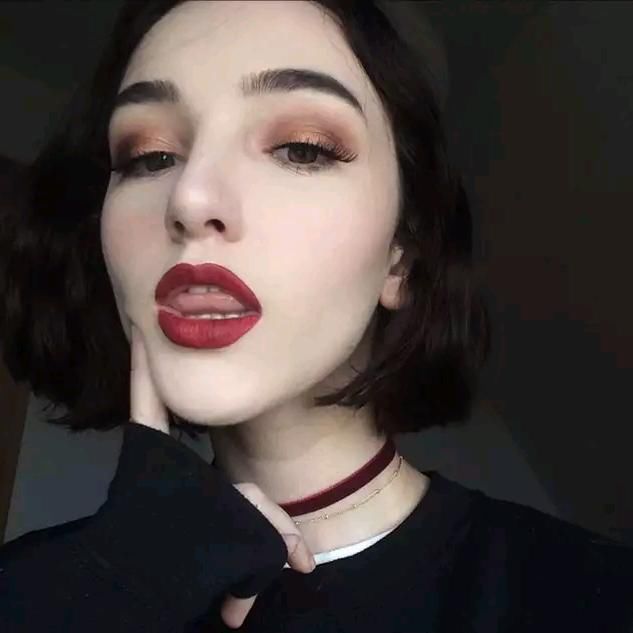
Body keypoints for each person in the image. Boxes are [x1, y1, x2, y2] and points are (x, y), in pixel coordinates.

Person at [1, 1, 632, 631]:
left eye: (303, 149)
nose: (189, 198)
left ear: (402, 257)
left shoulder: (591, 596)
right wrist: (112, 587)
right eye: (150, 156)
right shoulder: (39, 589)